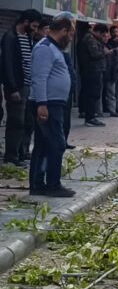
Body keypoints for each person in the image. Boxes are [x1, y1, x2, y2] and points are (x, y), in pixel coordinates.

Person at [29, 16, 75, 197]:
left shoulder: (54, 48)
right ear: (63, 31)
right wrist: (42, 104)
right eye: (70, 34)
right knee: (56, 144)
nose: (70, 38)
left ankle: (38, 184)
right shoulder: (45, 48)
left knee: (44, 144)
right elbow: (39, 78)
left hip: (53, 102)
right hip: (47, 103)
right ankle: (52, 184)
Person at [1, 9, 42, 166]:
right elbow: (8, 64)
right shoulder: (11, 37)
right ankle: (11, 155)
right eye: (34, 26)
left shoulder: (28, 37)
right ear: (25, 22)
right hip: (17, 86)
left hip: (28, 84)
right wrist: (12, 88)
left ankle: (22, 151)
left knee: (27, 120)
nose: (35, 29)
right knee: (16, 121)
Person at [78, 23, 109, 127]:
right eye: (102, 35)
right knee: (92, 94)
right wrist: (105, 52)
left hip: (94, 70)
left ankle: (91, 116)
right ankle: (90, 118)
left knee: (94, 94)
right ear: (98, 32)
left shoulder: (92, 38)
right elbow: (95, 54)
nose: (103, 37)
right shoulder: (90, 39)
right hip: (91, 70)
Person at [102, 26, 118, 118]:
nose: (115, 34)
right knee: (111, 92)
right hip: (110, 71)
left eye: (117, 31)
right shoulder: (108, 44)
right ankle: (112, 110)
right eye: (114, 32)